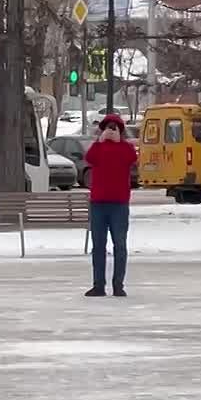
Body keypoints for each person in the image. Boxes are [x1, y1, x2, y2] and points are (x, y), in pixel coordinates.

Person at [83, 113, 138, 298]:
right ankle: (98, 285)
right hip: (98, 203)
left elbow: (131, 158)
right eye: (108, 127)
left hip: (119, 204)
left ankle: (118, 285)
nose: (111, 131)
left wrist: (119, 141)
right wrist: (100, 141)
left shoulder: (126, 148)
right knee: (98, 246)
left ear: (121, 131)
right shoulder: (98, 148)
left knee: (119, 245)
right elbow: (89, 158)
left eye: (115, 128)